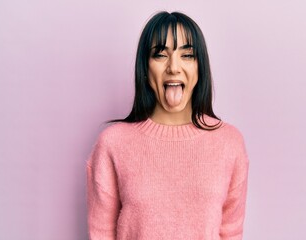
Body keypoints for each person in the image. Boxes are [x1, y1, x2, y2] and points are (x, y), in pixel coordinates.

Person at [86, 11, 249, 240]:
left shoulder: (229, 143)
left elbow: (231, 233)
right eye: (160, 55)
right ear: (145, 66)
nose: (173, 67)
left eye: (188, 55)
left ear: (200, 67)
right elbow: (101, 233)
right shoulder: (113, 144)